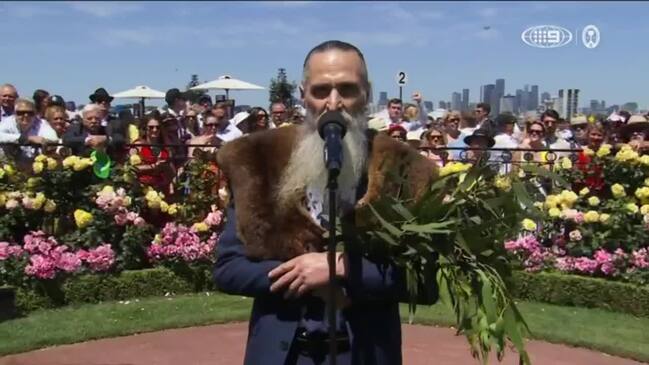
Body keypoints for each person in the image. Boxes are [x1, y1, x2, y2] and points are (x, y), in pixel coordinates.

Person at [214, 40, 436, 365]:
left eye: (347, 89)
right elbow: (229, 269)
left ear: (367, 93)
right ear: (303, 93)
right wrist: (304, 276)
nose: (333, 104)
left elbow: (424, 282)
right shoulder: (259, 160)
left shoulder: (404, 169)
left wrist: (342, 268)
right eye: (321, 91)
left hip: (364, 354)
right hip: (284, 355)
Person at [130, 112, 175, 194]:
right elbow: (131, 168)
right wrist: (153, 166)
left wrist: (166, 167)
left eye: (158, 127)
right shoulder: (138, 145)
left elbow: (172, 173)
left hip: (162, 190)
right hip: (143, 189)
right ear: (145, 128)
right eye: (151, 127)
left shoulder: (166, 148)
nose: (155, 130)